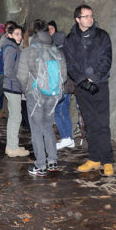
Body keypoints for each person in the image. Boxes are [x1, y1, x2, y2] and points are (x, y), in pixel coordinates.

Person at [63, 4, 114, 176]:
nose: (90, 19)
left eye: (91, 15)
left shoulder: (102, 36)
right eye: (86, 16)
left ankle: (107, 160)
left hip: (100, 85)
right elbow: (69, 64)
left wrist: (94, 78)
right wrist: (82, 81)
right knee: (90, 124)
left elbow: (106, 59)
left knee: (102, 123)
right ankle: (94, 158)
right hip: (82, 87)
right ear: (77, 19)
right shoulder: (70, 39)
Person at [17, 19, 68, 175]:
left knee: (37, 130)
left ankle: (40, 165)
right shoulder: (56, 51)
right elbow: (64, 76)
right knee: (48, 127)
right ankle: (52, 161)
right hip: (52, 96)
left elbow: (21, 76)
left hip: (36, 96)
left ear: (32, 33)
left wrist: (27, 91)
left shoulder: (28, 51)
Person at [2, 23, 30, 157]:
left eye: (20, 34)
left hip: (12, 86)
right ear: (10, 35)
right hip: (12, 86)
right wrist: (19, 80)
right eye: (17, 34)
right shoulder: (11, 48)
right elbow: (8, 71)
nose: (19, 37)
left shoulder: (14, 47)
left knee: (15, 116)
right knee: (15, 117)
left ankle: (12, 145)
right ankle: (12, 147)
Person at [48, 20, 75, 150]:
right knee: (65, 112)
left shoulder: (57, 53)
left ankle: (65, 138)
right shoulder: (70, 51)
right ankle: (70, 139)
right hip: (70, 87)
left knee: (57, 113)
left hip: (61, 87)